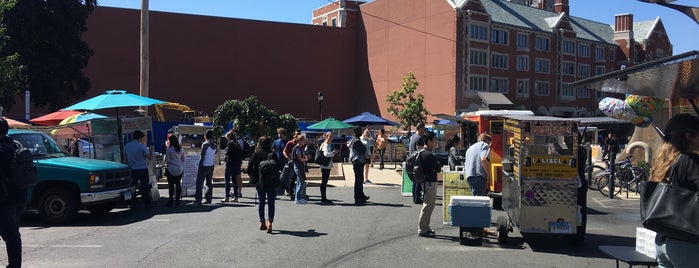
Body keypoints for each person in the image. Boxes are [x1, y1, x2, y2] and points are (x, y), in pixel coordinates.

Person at [648, 114, 699, 267]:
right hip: (688, 241)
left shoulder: (662, 161)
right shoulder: (690, 161)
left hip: (663, 238)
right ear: (689, 136)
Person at [0, 118, 27, 268]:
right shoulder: (15, 144)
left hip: (5, 198)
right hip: (19, 195)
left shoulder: (2, 150)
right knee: (13, 234)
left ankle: (14, 265)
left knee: (10, 235)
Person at [464, 133, 495, 235]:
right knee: (478, 203)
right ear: (486, 140)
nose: (490, 146)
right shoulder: (484, 146)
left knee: (476, 200)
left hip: (470, 175)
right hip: (478, 175)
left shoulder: (471, 147)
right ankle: (475, 229)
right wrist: (488, 174)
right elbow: (483, 160)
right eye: (490, 143)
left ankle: (479, 228)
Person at [247, 136, 279, 233]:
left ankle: (262, 222)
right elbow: (279, 166)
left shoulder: (256, 154)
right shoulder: (272, 154)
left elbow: (249, 168)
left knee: (261, 202)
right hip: (271, 182)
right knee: (271, 203)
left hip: (260, 182)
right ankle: (270, 221)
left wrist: (254, 177)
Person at [416, 131, 442, 238]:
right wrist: (436, 165)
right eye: (434, 140)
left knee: (430, 205)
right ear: (429, 141)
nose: (435, 142)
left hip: (425, 181)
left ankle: (426, 227)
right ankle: (422, 229)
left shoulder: (422, 152)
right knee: (427, 205)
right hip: (430, 182)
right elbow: (438, 168)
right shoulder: (429, 154)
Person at [124, 130, 154, 208]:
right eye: (142, 138)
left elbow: (125, 158)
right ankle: (147, 203)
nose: (142, 140)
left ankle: (132, 203)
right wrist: (151, 151)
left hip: (132, 169)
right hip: (142, 168)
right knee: (145, 186)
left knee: (133, 186)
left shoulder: (127, 146)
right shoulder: (142, 146)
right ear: (139, 137)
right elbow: (149, 158)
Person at [195, 129, 216, 206]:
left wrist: (199, 165)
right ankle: (208, 199)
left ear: (205, 136)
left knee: (199, 183)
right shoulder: (214, 145)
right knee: (209, 183)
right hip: (211, 165)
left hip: (204, 165)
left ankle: (198, 200)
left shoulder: (205, 144)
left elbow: (202, 156)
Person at [350, 126, 370, 205]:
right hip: (357, 161)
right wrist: (364, 146)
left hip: (358, 161)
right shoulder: (356, 141)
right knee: (358, 180)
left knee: (360, 179)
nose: (361, 132)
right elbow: (362, 151)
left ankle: (361, 195)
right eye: (360, 131)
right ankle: (357, 198)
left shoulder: (355, 140)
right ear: (356, 132)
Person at [164, 135, 185, 206]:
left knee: (171, 185)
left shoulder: (169, 149)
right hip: (179, 169)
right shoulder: (181, 149)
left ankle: (170, 200)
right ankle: (177, 200)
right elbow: (183, 160)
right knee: (178, 184)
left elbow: (167, 160)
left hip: (171, 169)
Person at [224, 131, 243, 202]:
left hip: (230, 164)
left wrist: (226, 154)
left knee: (227, 181)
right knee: (235, 182)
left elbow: (228, 153)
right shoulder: (237, 144)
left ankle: (226, 197)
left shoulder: (230, 143)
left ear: (229, 137)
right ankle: (235, 197)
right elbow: (241, 153)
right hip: (237, 164)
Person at [409, 122, 426, 204]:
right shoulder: (419, 138)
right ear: (420, 128)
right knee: (418, 180)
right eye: (423, 128)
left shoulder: (413, 137)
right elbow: (420, 150)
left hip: (411, 160)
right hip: (417, 161)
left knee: (415, 180)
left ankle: (414, 197)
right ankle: (417, 198)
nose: (424, 130)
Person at [319, 132, 336, 204]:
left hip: (325, 165)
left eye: (332, 137)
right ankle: (323, 198)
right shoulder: (325, 145)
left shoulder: (326, 144)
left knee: (324, 181)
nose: (332, 138)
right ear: (326, 137)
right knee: (324, 182)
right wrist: (333, 153)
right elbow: (326, 154)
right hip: (325, 165)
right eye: (330, 137)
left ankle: (324, 197)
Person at [292, 135, 308, 204]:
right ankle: (298, 198)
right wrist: (305, 159)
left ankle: (297, 198)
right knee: (301, 182)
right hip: (298, 166)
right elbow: (299, 158)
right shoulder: (298, 148)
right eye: (303, 140)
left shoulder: (299, 148)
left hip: (298, 166)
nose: (304, 142)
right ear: (300, 141)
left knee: (299, 182)